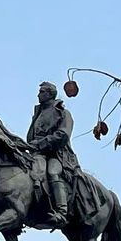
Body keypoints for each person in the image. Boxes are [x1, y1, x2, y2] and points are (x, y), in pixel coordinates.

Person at [26, 81, 79, 228]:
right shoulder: (38, 113)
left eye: (41, 92)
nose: (38, 94)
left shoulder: (63, 113)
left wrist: (42, 143)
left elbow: (63, 134)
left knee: (52, 172)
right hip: (37, 154)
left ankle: (61, 212)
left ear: (49, 94)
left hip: (58, 154)